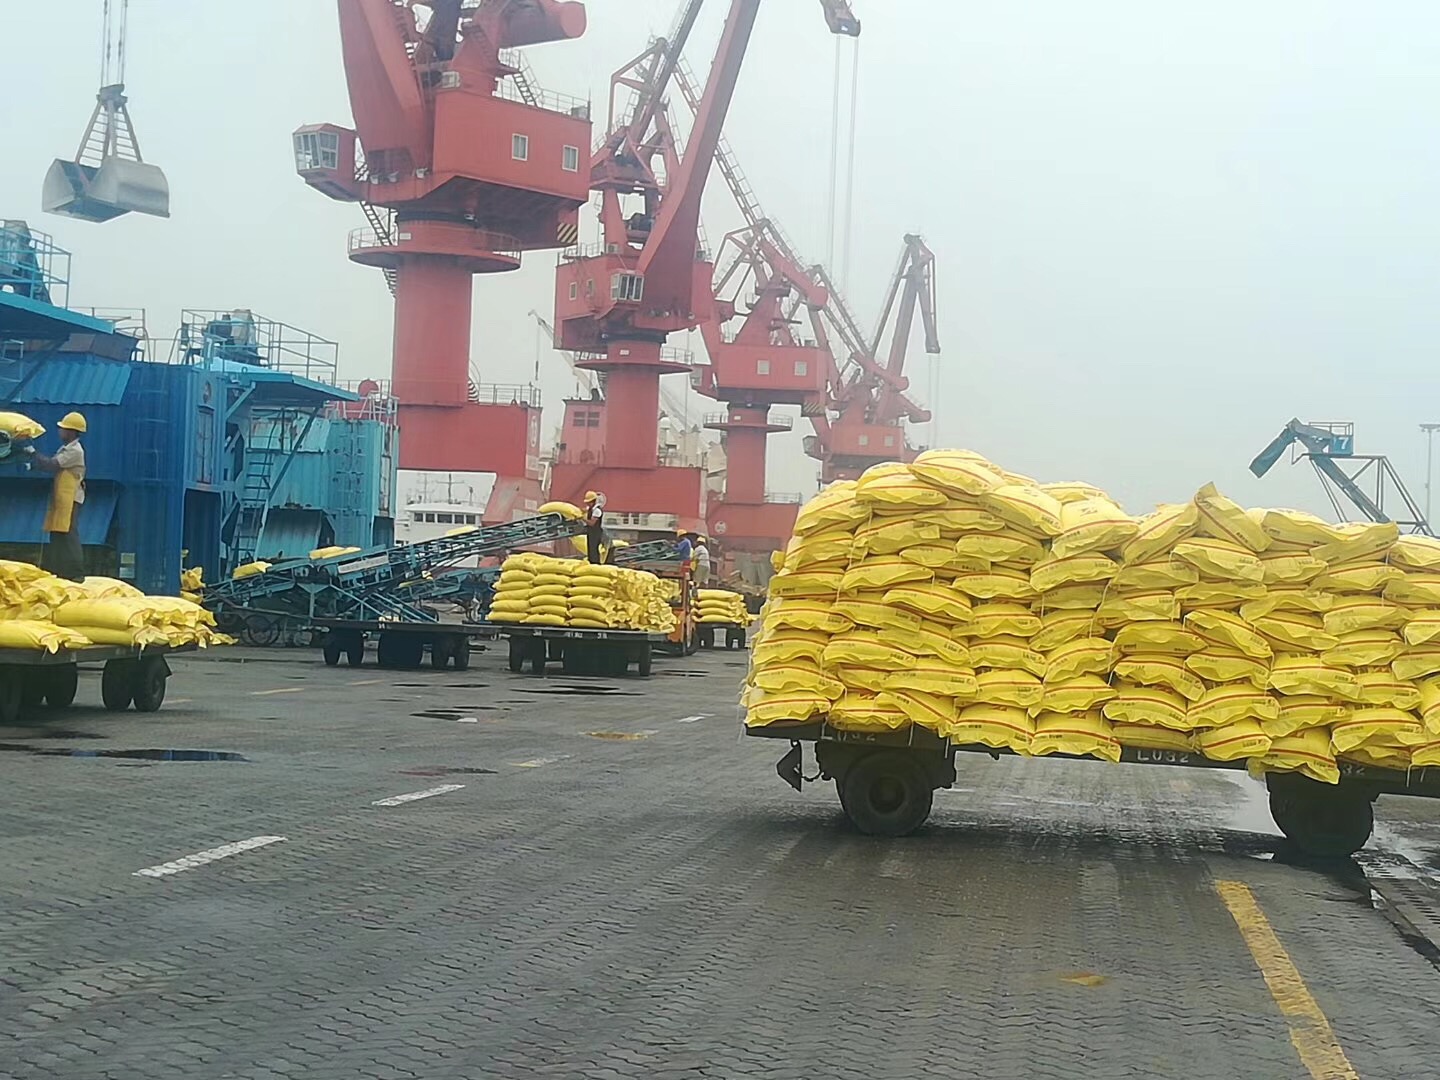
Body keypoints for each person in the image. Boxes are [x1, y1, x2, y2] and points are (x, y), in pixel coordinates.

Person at [31, 411, 88, 581]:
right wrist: (32, 464)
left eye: (63, 428)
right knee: (57, 532)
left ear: (71, 431)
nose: (60, 431)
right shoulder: (66, 449)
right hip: (62, 496)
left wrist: (32, 452)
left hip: (71, 498)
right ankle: (60, 570)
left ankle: (76, 573)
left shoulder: (75, 451)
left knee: (68, 533)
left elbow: (52, 464)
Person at [583, 490, 607, 565]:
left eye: (588, 502)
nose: (587, 504)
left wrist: (582, 518)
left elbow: (592, 523)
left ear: (593, 501)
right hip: (590, 533)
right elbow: (584, 510)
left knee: (594, 550)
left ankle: (595, 564)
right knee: (590, 550)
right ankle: (591, 563)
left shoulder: (597, 511)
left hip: (596, 533)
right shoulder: (590, 509)